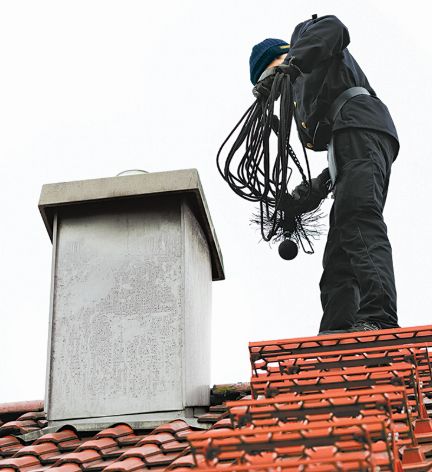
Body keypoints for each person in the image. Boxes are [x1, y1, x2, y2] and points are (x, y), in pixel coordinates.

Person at [249, 14, 400, 333]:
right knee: (338, 255)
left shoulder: (304, 40)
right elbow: (340, 161)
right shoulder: (306, 98)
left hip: (361, 125)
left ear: (279, 58)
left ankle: (379, 318)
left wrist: (294, 61)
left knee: (358, 219)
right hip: (350, 141)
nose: (276, 90)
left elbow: (334, 27)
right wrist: (310, 193)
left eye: (270, 77)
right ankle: (336, 333)